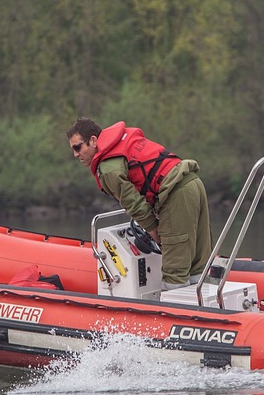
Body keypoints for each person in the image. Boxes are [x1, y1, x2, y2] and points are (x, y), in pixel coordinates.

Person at [67, 117, 211, 289]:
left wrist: (154, 232)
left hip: (176, 194)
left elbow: (133, 203)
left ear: (93, 140)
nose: (76, 154)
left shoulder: (108, 169)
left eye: (78, 147)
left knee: (175, 273)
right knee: (197, 265)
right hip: (192, 182)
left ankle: (176, 309)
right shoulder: (123, 141)